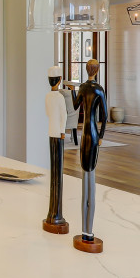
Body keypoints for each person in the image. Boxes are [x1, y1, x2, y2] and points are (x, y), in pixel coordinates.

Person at [71, 58, 107, 253]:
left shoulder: (83, 88)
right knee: (90, 177)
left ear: (86, 70)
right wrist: (101, 136)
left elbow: (76, 107)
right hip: (93, 134)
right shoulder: (99, 89)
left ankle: (86, 229)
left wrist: (72, 92)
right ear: (97, 69)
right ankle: (88, 230)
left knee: (86, 175)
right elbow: (105, 116)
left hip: (84, 133)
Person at [43, 66, 69, 234]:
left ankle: (53, 212)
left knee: (54, 167)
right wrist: (62, 131)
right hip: (58, 133)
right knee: (58, 169)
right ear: (59, 80)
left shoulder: (47, 96)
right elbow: (64, 115)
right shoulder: (59, 97)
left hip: (50, 131)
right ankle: (56, 213)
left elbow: (48, 113)